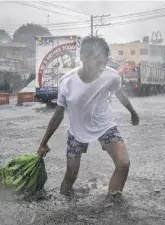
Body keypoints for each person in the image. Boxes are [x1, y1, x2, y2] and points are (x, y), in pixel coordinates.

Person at [37, 35, 139, 198]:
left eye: (104, 63)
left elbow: (120, 95)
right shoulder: (67, 82)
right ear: (83, 57)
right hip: (77, 131)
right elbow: (58, 115)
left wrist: (133, 112)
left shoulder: (111, 76)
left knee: (123, 163)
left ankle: (112, 203)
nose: (101, 67)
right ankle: (64, 205)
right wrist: (43, 144)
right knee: (71, 174)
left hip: (104, 125)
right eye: (98, 62)